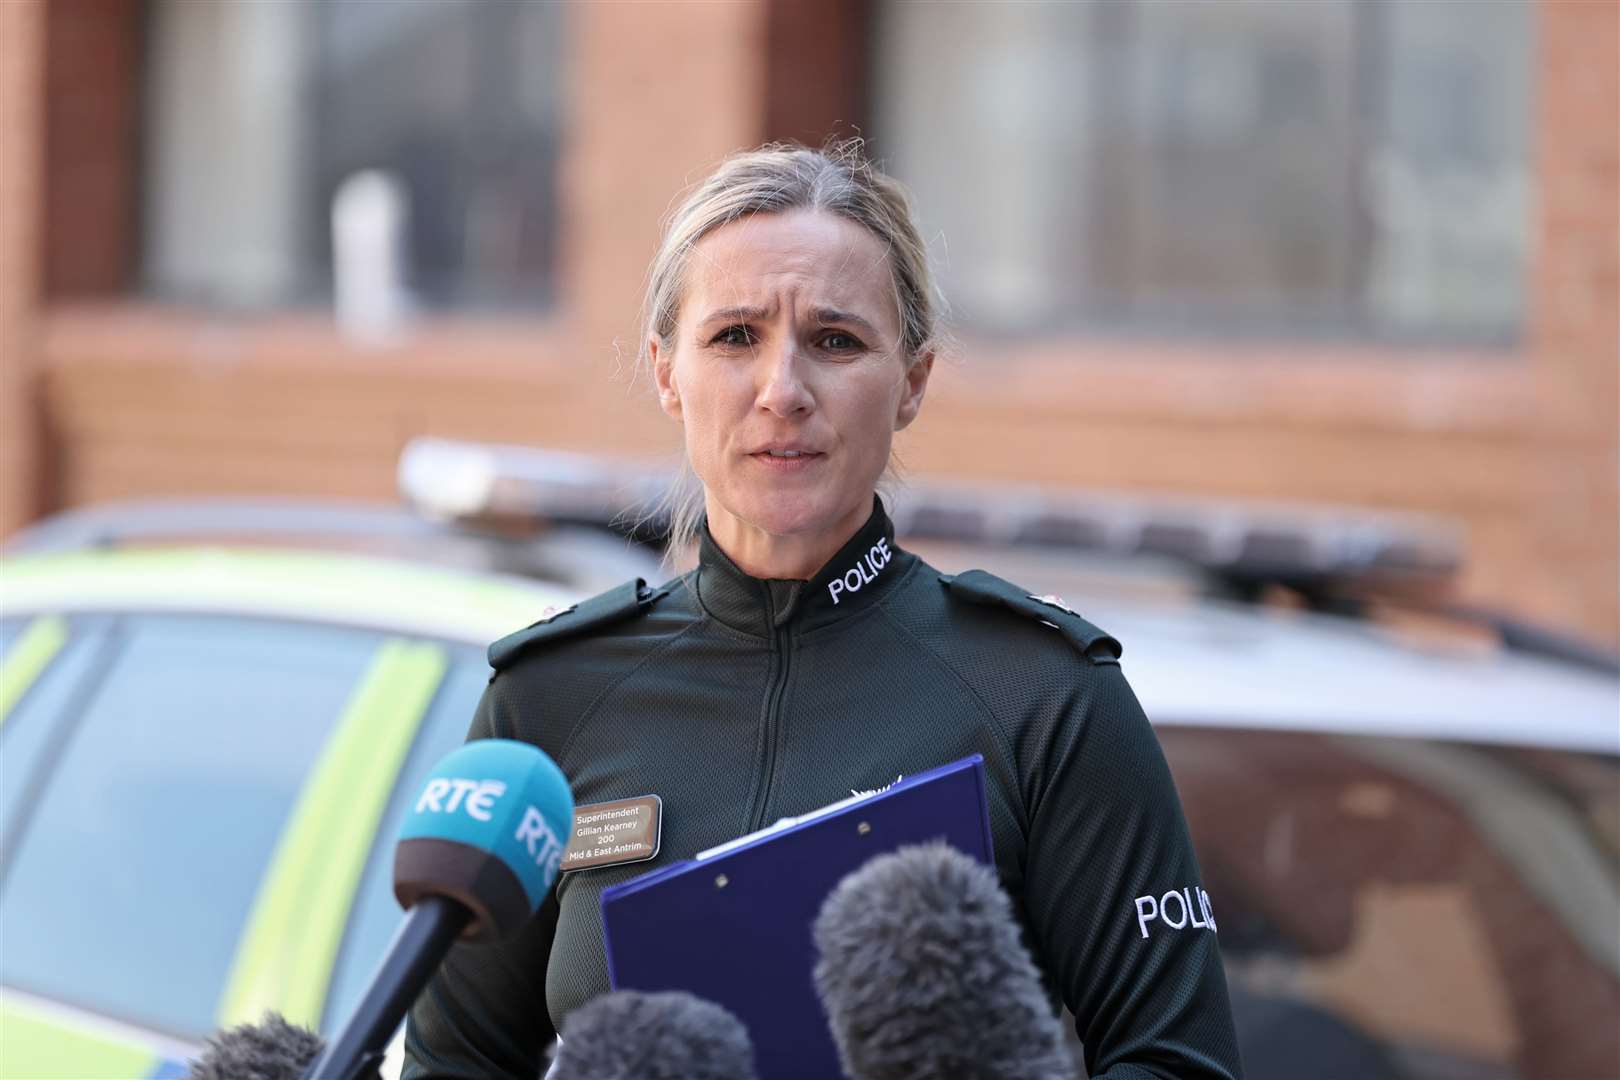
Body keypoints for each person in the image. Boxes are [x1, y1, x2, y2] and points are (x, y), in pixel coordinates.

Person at [402, 142, 1241, 1080]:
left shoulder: (1040, 696)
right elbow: (456, 1065)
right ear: (666, 370)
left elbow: (1178, 1065)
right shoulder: (547, 701)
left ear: (913, 379)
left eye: (836, 340)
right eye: (734, 338)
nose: (783, 391)